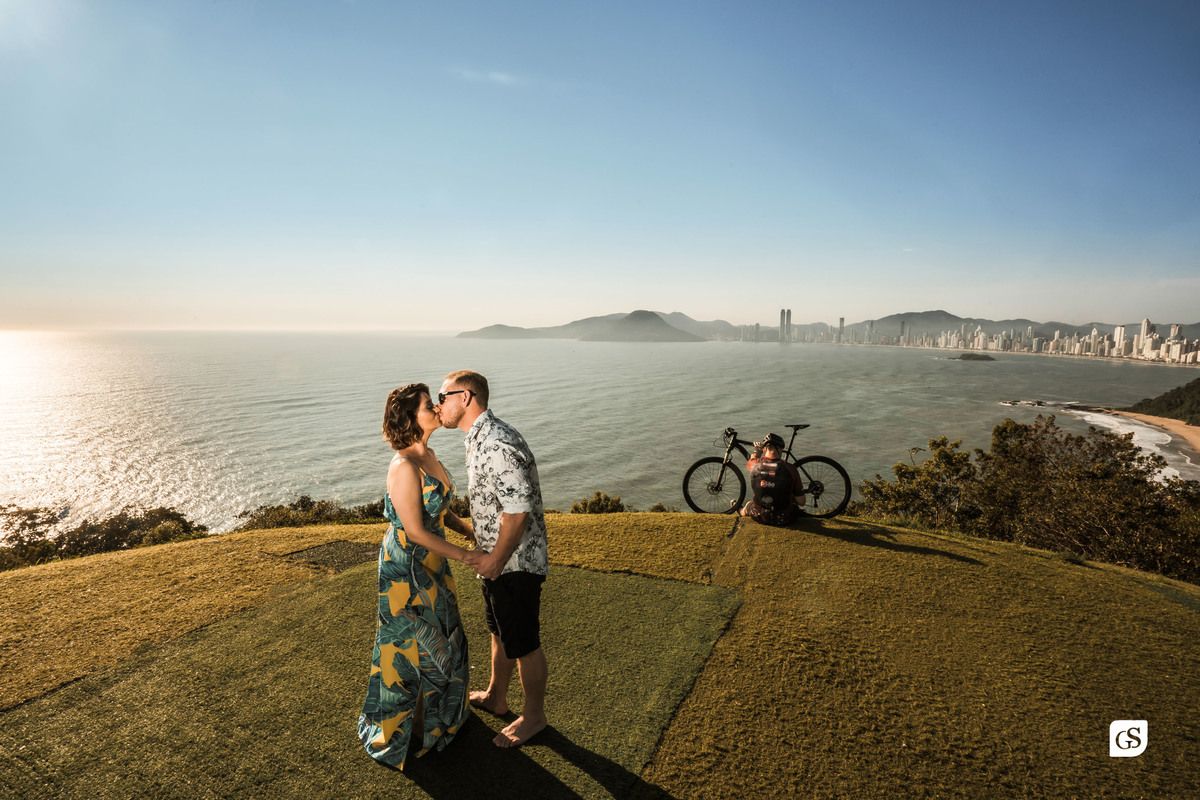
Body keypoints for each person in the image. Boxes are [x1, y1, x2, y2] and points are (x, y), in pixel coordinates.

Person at [358, 383, 481, 769]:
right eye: (430, 405)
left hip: (433, 562)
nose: (438, 407)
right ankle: (412, 728)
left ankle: (440, 717)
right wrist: (467, 556)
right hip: (407, 567)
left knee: (444, 634)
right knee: (411, 646)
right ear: (411, 419)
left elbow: (438, 508)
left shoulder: (428, 454)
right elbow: (414, 531)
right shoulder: (403, 467)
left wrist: (466, 529)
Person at [437, 369, 550, 748]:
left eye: (443, 397)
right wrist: (477, 538)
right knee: (499, 630)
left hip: (515, 563)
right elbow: (494, 504)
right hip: (497, 560)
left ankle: (534, 717)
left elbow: (518, 509)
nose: (438, 405)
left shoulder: (496, 442)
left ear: (466, 397)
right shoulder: (478, 438)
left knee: (524, 642)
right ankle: (496, 697)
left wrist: (496, 560)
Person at [740, 432, 805, 526]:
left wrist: (757, 450)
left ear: (764, 450)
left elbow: (752, 458)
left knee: (749, 505)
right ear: (780, 449)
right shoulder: (790, 469)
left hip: (759, 517)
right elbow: (801, 501)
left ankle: (738, 510)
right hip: (784, 519)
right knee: (794, 505)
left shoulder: (753, 465)